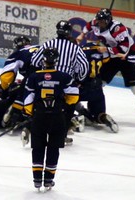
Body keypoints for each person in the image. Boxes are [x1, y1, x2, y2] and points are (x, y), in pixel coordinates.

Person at [76, 8, 135, 122]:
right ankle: (95, 111)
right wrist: (82, 35)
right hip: (113, 56)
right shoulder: (96, 22)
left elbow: (123, 49)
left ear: (108, 20)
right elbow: (88, 26)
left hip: (128, 56)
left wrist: (106, 49)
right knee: (98, 82)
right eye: (98, 21)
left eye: (102, 22)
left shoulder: (119, 29)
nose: (99, 24)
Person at [23, 48, 79, 190]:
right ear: (56, 61)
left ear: (43, 60)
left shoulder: (34, 77)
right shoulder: (64, 77)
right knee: (54, 148)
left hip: (39, 116)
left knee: (38, 147)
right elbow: (73, 96)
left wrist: (29, 113)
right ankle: (48, 179)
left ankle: (37, 179)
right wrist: (63, 102)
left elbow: (28, 98)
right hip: (57, 117)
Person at [32, 20, 89, 144]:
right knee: (66, 111)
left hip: (45, 84)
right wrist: (79, 80)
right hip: (66, 85)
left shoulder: (48, 44)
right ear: (69, 32)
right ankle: (60, 136)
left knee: (42, 108)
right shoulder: (75, 48)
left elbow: (35, 61)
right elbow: (84, 66)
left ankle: (38, 133)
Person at [76, 42, 118, 133]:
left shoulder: (80, 52)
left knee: (67, 101)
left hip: (82, 86)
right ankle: (103, 117)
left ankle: (77, 119)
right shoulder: (101, 52)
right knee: (97, 114)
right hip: (97, 88)